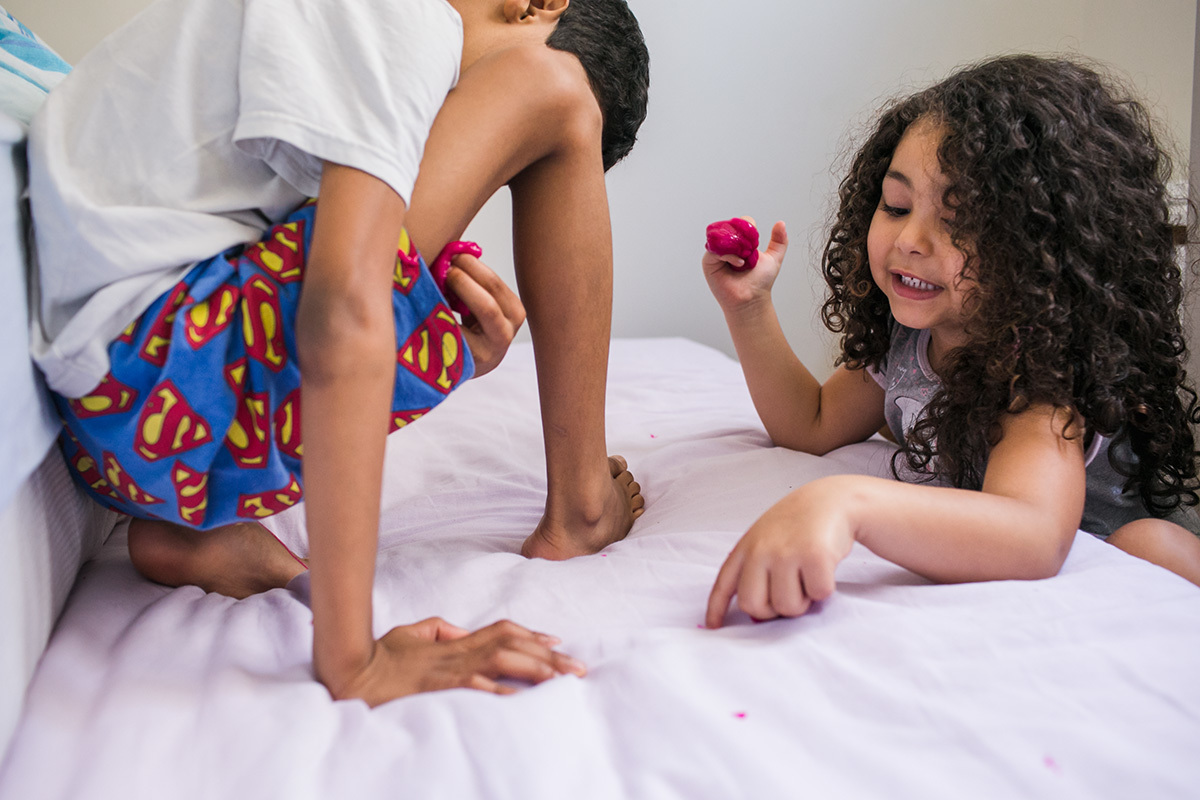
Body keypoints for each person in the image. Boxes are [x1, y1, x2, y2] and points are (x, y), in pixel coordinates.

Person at [26, 0, 649, 706]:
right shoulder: (408, 18)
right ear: (537, 4)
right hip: (160, 381)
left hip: (119, 427)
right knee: (557, 90)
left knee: (364, 245)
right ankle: (581, 507)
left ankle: (207, 534)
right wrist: (356, 661)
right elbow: (343, 315)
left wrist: (446, 350)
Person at [701, 54, 1200, 628]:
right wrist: (749, 307)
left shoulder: (1039, 376)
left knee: (1149, 545)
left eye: (959, 220)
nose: (910, 240)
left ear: (1043, 252)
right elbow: (810, 424)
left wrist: (846, 502)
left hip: (1105, 538)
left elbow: (1034, 534)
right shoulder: (910, 339)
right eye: (896, 206)